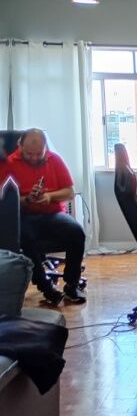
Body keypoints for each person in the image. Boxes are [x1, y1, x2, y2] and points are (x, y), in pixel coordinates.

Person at [7, 129, 86, 305]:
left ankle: (72, 285)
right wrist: (27, 199)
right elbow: (4, 201)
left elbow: (69, 192)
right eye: (30, 154)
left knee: (76, 232)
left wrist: (50, 196)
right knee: (25, 238)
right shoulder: (8, 164)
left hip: (52, 214)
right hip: (23, 216)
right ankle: (46, 287)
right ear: (20, 145)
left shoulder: (54, 160)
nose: (35, 158)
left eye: (39, 154)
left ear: (45, 148)